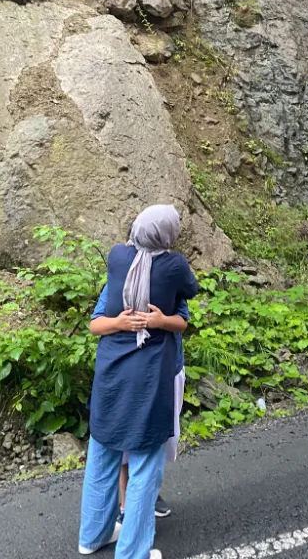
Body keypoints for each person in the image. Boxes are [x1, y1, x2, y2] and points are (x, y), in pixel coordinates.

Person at [79, 205, 198, 559]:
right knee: (146, 460)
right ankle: (133, 552)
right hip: (147, 375)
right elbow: (188, 291)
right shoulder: (174, 266)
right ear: (167, 236)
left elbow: (97, 320)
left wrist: (121, 320)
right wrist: (160, 319)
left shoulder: (117, 256)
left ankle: (93, 535)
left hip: (111, 372)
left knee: (102, 453)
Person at [92, 285, 189, 521]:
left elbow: (182, 322)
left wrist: (161, 320)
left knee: (158, 438)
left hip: (165, 372)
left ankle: (150, 493)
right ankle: (127, 503)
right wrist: (119, 324)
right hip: (127, 375)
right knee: (126, 440)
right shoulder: (117, 281)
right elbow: (95, 325)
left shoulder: (167, 278)